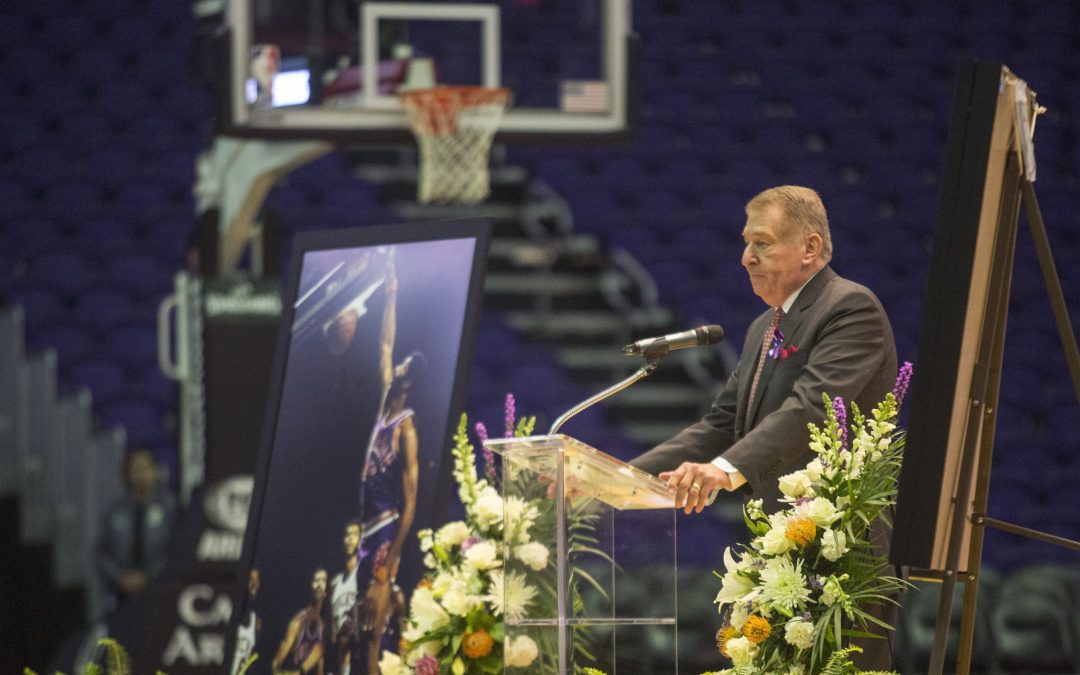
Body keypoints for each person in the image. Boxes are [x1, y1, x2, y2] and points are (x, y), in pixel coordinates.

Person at [630, 185, 898, 669]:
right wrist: (622, 474)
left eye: (762, 243)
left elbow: (811, 409)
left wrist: (724, 470)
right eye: (746, 242)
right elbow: (718, 425)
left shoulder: (849, 308)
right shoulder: (765, 327)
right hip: (781, 547)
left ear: (810, 248)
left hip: (842, 551)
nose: (745, 257)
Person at [355, 263, 420, 674]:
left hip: (385, 523)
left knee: (375, 617)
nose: (396, 368)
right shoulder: (382, 405)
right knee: (360, 613)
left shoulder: (406, 428)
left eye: (403, 368)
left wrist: (394, 552)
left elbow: (411, 502)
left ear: (408, 383)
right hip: (364, 522)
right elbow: (384, 345)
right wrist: (392, 293)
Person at [96, 448, 177, 612]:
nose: (141, 475)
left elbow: (177, 549)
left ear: (155, 471)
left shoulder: (170, 508)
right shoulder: (114, 510)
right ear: (127, 475)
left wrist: (147, 578)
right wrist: (120, 577)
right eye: (135, 470)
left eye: (146, 468)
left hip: (159, 591)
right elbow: (100, 551)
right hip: (120, 593)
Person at [272, 568, 328, 675]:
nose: (320, 584)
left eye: (323, 580)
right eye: (317, 580)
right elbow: (276, 662)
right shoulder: (298, 622)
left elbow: (320, 654)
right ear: (311, 585)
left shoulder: (326, 624)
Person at [329, 521, 361, 675]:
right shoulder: (335, 582)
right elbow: (332, 623)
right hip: (340, 656)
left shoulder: (363, 573)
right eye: (347, 535)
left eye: (354, 534)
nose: (350, 539)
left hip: (359, 653)